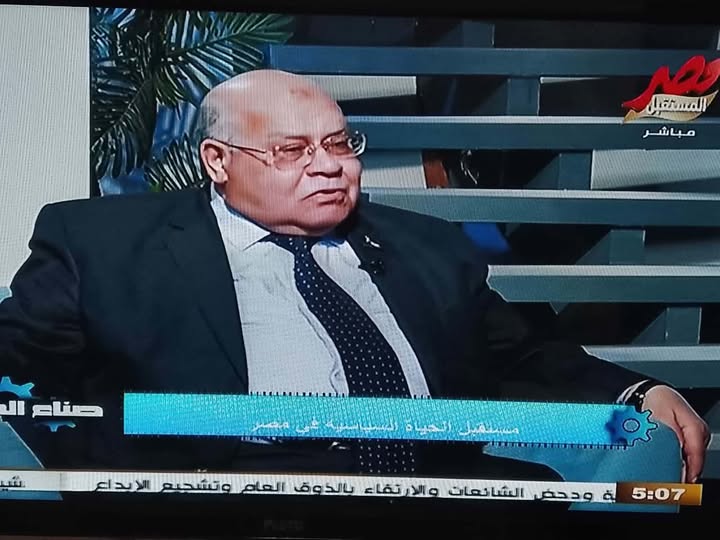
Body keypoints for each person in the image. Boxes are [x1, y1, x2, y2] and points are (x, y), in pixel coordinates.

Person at [0, 69, 709, 483]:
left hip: (430, 493)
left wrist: (638, 390)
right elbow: (19, 353)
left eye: (340, 143)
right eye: (292, 150)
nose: (330, 166)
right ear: (218, 161)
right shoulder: (102, 244)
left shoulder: (428, 246)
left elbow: (524, 351)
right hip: (222, 495)